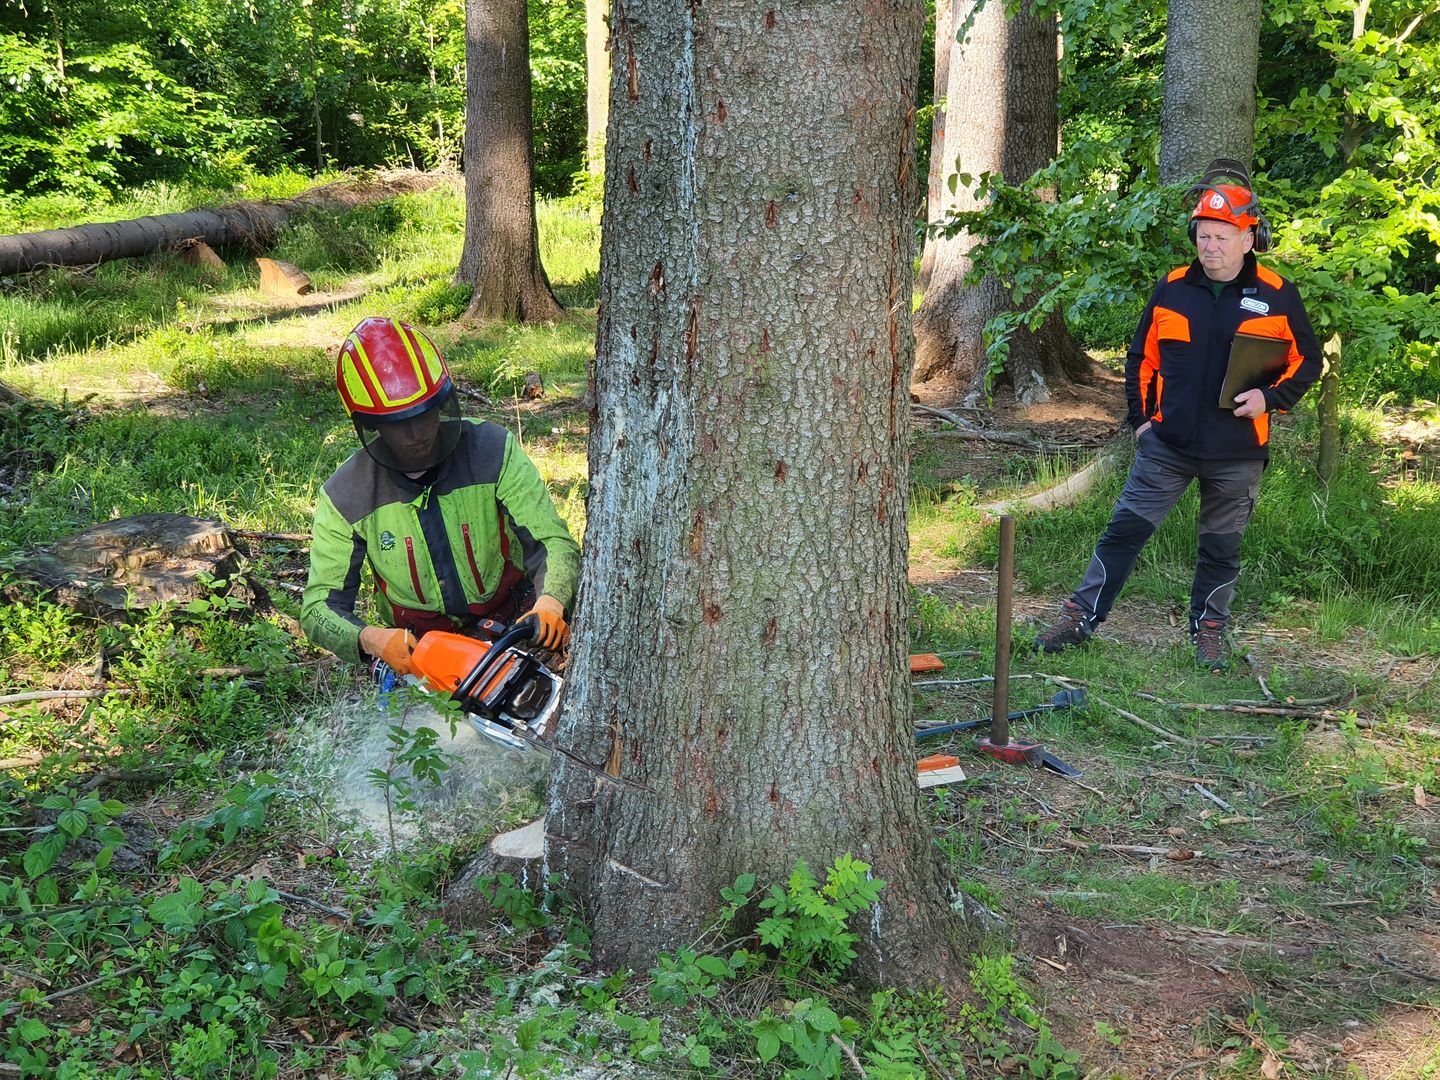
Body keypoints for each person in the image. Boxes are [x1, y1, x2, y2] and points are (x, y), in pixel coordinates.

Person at [1035, 160, 1321, 670]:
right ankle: (1078, 618)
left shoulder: (1277, 295)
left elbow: (1307, 361)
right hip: (1167, 447)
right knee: (1123, 531)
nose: (1210, 246)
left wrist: (1270, 399)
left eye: (1222, 236)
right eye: (1203, 235)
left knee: (1220, 549)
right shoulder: (1172, 288)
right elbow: (1141, 358)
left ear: (1249, 238)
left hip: (1237, 451)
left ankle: (1208, 632)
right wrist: (1141, 422)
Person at [301, 317, 580, 676]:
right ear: (371, 425)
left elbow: (553, 541)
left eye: (425, 414)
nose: (418, 433)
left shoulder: (493, 450)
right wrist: (371, 638)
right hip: (420, 650)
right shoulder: (346, 496)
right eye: (400, 424)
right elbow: (318, 608)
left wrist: (551, 602)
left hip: (515, 621)